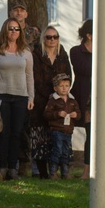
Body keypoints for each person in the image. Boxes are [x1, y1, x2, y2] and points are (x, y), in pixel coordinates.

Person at [0, 17, 34, 180]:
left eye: (16, 29)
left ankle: (14, 168)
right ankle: (3, 167)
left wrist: (31, 96)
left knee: (16, 133)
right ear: (5, 30)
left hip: (21, 96)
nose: (13, 32)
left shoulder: (25, 52)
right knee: (3, 133)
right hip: (1, 96)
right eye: (10, 28)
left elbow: (29, 76)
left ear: (20, 32)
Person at [29, 25, 71, 178]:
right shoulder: (36, 54)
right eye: (48, 37)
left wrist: (61, 92)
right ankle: (41, 171)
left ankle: (58, 170)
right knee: (40, 135)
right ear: (43, 39)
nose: (52, 40)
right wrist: (51, 94)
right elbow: (35, 78)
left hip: (60, 100)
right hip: (40, 100)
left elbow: (68, 75)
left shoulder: (62, 54)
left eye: (55, 37)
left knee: (58, 134)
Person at [69, 19, 93, 179]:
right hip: (81, 97)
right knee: (64, 133)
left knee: (92, 135)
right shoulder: (76, 51)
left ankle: (89, 170)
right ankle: (64, 168)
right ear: (89, 35)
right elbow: (84, 69)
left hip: (98, 97)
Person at [44, 74, 80, 179]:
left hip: (68, 131)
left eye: (67, 86)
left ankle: (65, 172)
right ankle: (53, 172)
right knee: (57, 150)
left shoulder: (72, 100)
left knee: (66, 152)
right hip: (57, 130)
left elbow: (79, 113)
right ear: (55, 88)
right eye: (61, 86)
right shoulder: (53, 100)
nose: (64, 88)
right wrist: (57, 114)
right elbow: (46, 114)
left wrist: (76, 115)